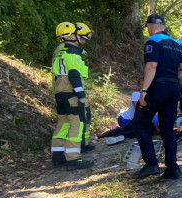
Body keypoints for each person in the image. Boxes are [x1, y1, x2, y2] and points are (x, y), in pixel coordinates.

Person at [134, 13, 182, 180]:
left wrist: (143, 91)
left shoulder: (153, 41)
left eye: (148, 28)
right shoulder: (176, 44)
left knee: (140, 123)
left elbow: (151, 66)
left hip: (156, 87)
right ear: (164, 26)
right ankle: (172, 168)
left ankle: (151, 164)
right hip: (174, 88)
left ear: (150, 26)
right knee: (167, 129)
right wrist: (172, 79)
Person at [50, 22, 94, 170]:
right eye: (76, 33)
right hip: (70, 92)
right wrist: (80, 94)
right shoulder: (71, 53)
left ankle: (58, 157)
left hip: (60, 92)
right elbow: (74, 74)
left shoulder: (60, 53)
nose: (79, 37)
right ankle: (73, 158)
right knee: (77, 124)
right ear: (70, 35)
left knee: (62, 124)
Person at [97, 78, 159, 143]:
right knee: (128, 129)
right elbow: (139, 108)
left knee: (142, 131)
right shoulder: (136, 94)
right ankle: (102, 135)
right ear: (139, 86)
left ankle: (120, 135)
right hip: (126, 119)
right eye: (142, 84)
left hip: (142, 120)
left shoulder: (152, 95)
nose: (145, 85)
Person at [75, 22, 95, 152]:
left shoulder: (77, 52)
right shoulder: (67, 51)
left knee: (86, 115)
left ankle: (84, 143)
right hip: (72, 91)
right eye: (82, 38)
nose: (83, 42)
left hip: (78, 89)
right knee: (79, 119)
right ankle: (79, 146)